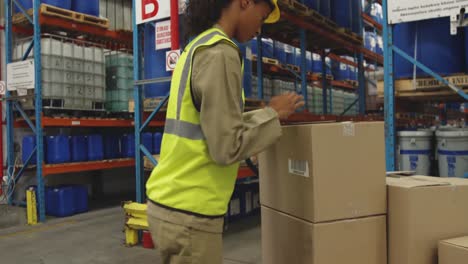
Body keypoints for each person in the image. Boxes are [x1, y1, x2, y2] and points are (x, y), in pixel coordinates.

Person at [146, 0, 304, 263]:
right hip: (190, 211)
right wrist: (272, 115)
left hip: (169, 202)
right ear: (244, 2)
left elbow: (215, 122)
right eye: (262, 18)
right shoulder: (221, 53)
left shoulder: (198, 46)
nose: (259, 29)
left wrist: (265, 118)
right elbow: (226, 146)